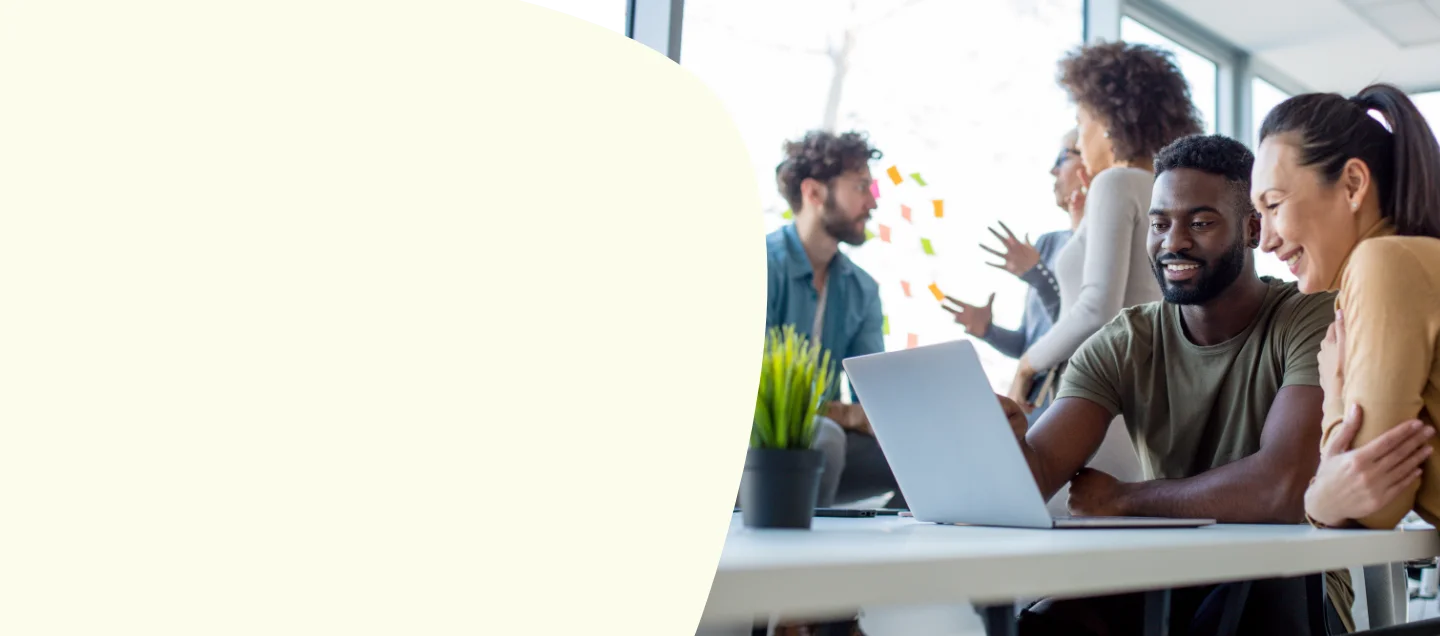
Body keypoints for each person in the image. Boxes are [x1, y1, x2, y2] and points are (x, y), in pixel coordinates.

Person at [998, 135, 1350, 634]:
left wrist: (1125, 499)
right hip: (1170, 578)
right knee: (1047, 621)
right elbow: (1037, 474)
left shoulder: (1309, 318)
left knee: (1245, 595)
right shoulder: (1125, 340)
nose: (1173, 242)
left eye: (1201, 223)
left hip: (1291, 583)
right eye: (1160, 224)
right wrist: (1002, 444)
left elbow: (1280, 492)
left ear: (1252, 228)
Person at [1249, 84, 1440, 531]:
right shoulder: (1413, 260)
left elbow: (1372, 506)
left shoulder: (1384, 263)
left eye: (1274, 205)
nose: (1265, 240)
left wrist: (1333, 387)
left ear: (1353, 184)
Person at [1008, 42, 1202, 412]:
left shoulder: (1115, 184)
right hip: (1141, 389)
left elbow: (1097, 307)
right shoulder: (1164, 189)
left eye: (1082, 123)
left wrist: (1026, 364)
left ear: (1109, 119)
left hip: (1097, 393)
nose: (1080, 140)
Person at [766, 129, 904, 509]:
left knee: (925, 450)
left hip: (832, 446)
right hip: (757, 440)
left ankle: (879, 563)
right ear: (813, 193)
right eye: (861, 187)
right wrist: (845, 414)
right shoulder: (761, 266)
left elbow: (873, 403)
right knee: (825, 436)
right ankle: (793, 556)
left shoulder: (862, 289)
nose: (872, 203)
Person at [943, 128, 1088, 422]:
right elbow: (1028, 344)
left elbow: (1082, 324)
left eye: (1063, 157)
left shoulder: (1098, 246)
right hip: (1033, 400)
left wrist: (1037, 275)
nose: (1053, 170)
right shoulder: (1047, 243)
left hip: (1067, 399)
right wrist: (989, 331)